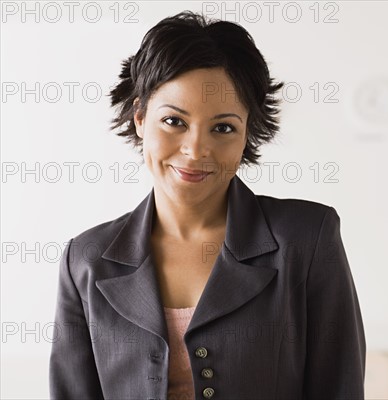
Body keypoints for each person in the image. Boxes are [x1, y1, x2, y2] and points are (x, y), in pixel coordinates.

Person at [49, 10, 366, 400]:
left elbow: (340, 388)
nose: (195, 149)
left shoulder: (307, 239)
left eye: (223, 128)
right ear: (140, 119)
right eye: (174, 121)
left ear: (248, 132)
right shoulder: (86, 259)